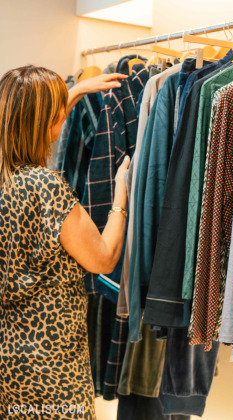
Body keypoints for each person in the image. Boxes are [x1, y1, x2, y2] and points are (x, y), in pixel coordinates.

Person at [0, 65, 130, 419]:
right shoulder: (45, 188)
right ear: (50, 122)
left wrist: (72, 94)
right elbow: (103, 259)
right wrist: (121, 196)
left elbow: (33, 122)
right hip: (52, 364)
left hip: (8, 358)